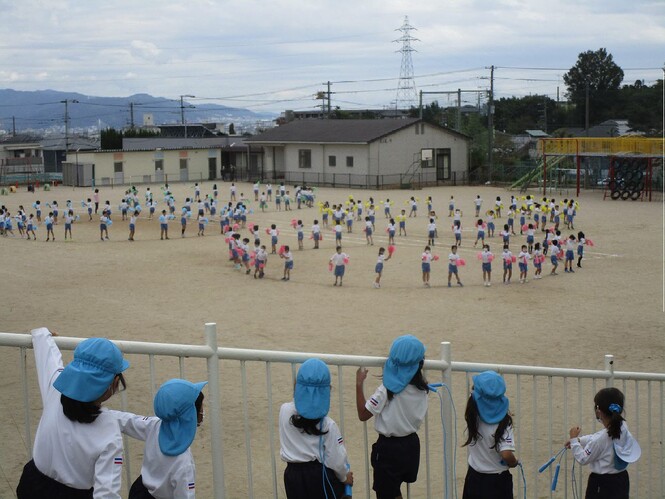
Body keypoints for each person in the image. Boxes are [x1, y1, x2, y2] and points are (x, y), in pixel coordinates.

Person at [16, 328, 130, 499]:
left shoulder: (56, 388)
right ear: (114, 383)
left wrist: (43, 334)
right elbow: (107, 493)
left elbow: (48, 359)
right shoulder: (109, 430)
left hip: (33, 482)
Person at [356, 335, 428, 499]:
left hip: (389, 449)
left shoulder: (387, 390)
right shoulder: (423, 389)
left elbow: (363, 414)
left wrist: (358, 385)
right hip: (411, 445)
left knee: (387, 492)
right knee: (395, 492)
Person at [111, 379, 206, 499]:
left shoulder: (155, 425)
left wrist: (102, 413)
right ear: (189, 415)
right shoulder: (184, 463)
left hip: (139, 491)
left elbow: (128, 421)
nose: (203, 411)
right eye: (201, 408)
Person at [279, 359, 353, 499]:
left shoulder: (284, 411)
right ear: (327, 391)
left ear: (297, 387)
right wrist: (345, 477)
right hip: (318, 476)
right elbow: (336, 460)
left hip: (292, 475)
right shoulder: (327, 424)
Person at [565, 388, 641, 499]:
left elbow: (583, 458)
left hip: (602, 484)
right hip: (621, 480)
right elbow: (598, 438)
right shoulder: (623, 426)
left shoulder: (601, 439)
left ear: (598, 412)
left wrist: (573, 440)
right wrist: (579, 440)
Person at [462, 371, 519, 499]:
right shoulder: (503, 422)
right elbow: (506, 454)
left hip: (473, 477)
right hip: (497, 481)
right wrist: (514, 462)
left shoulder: (472, 416)